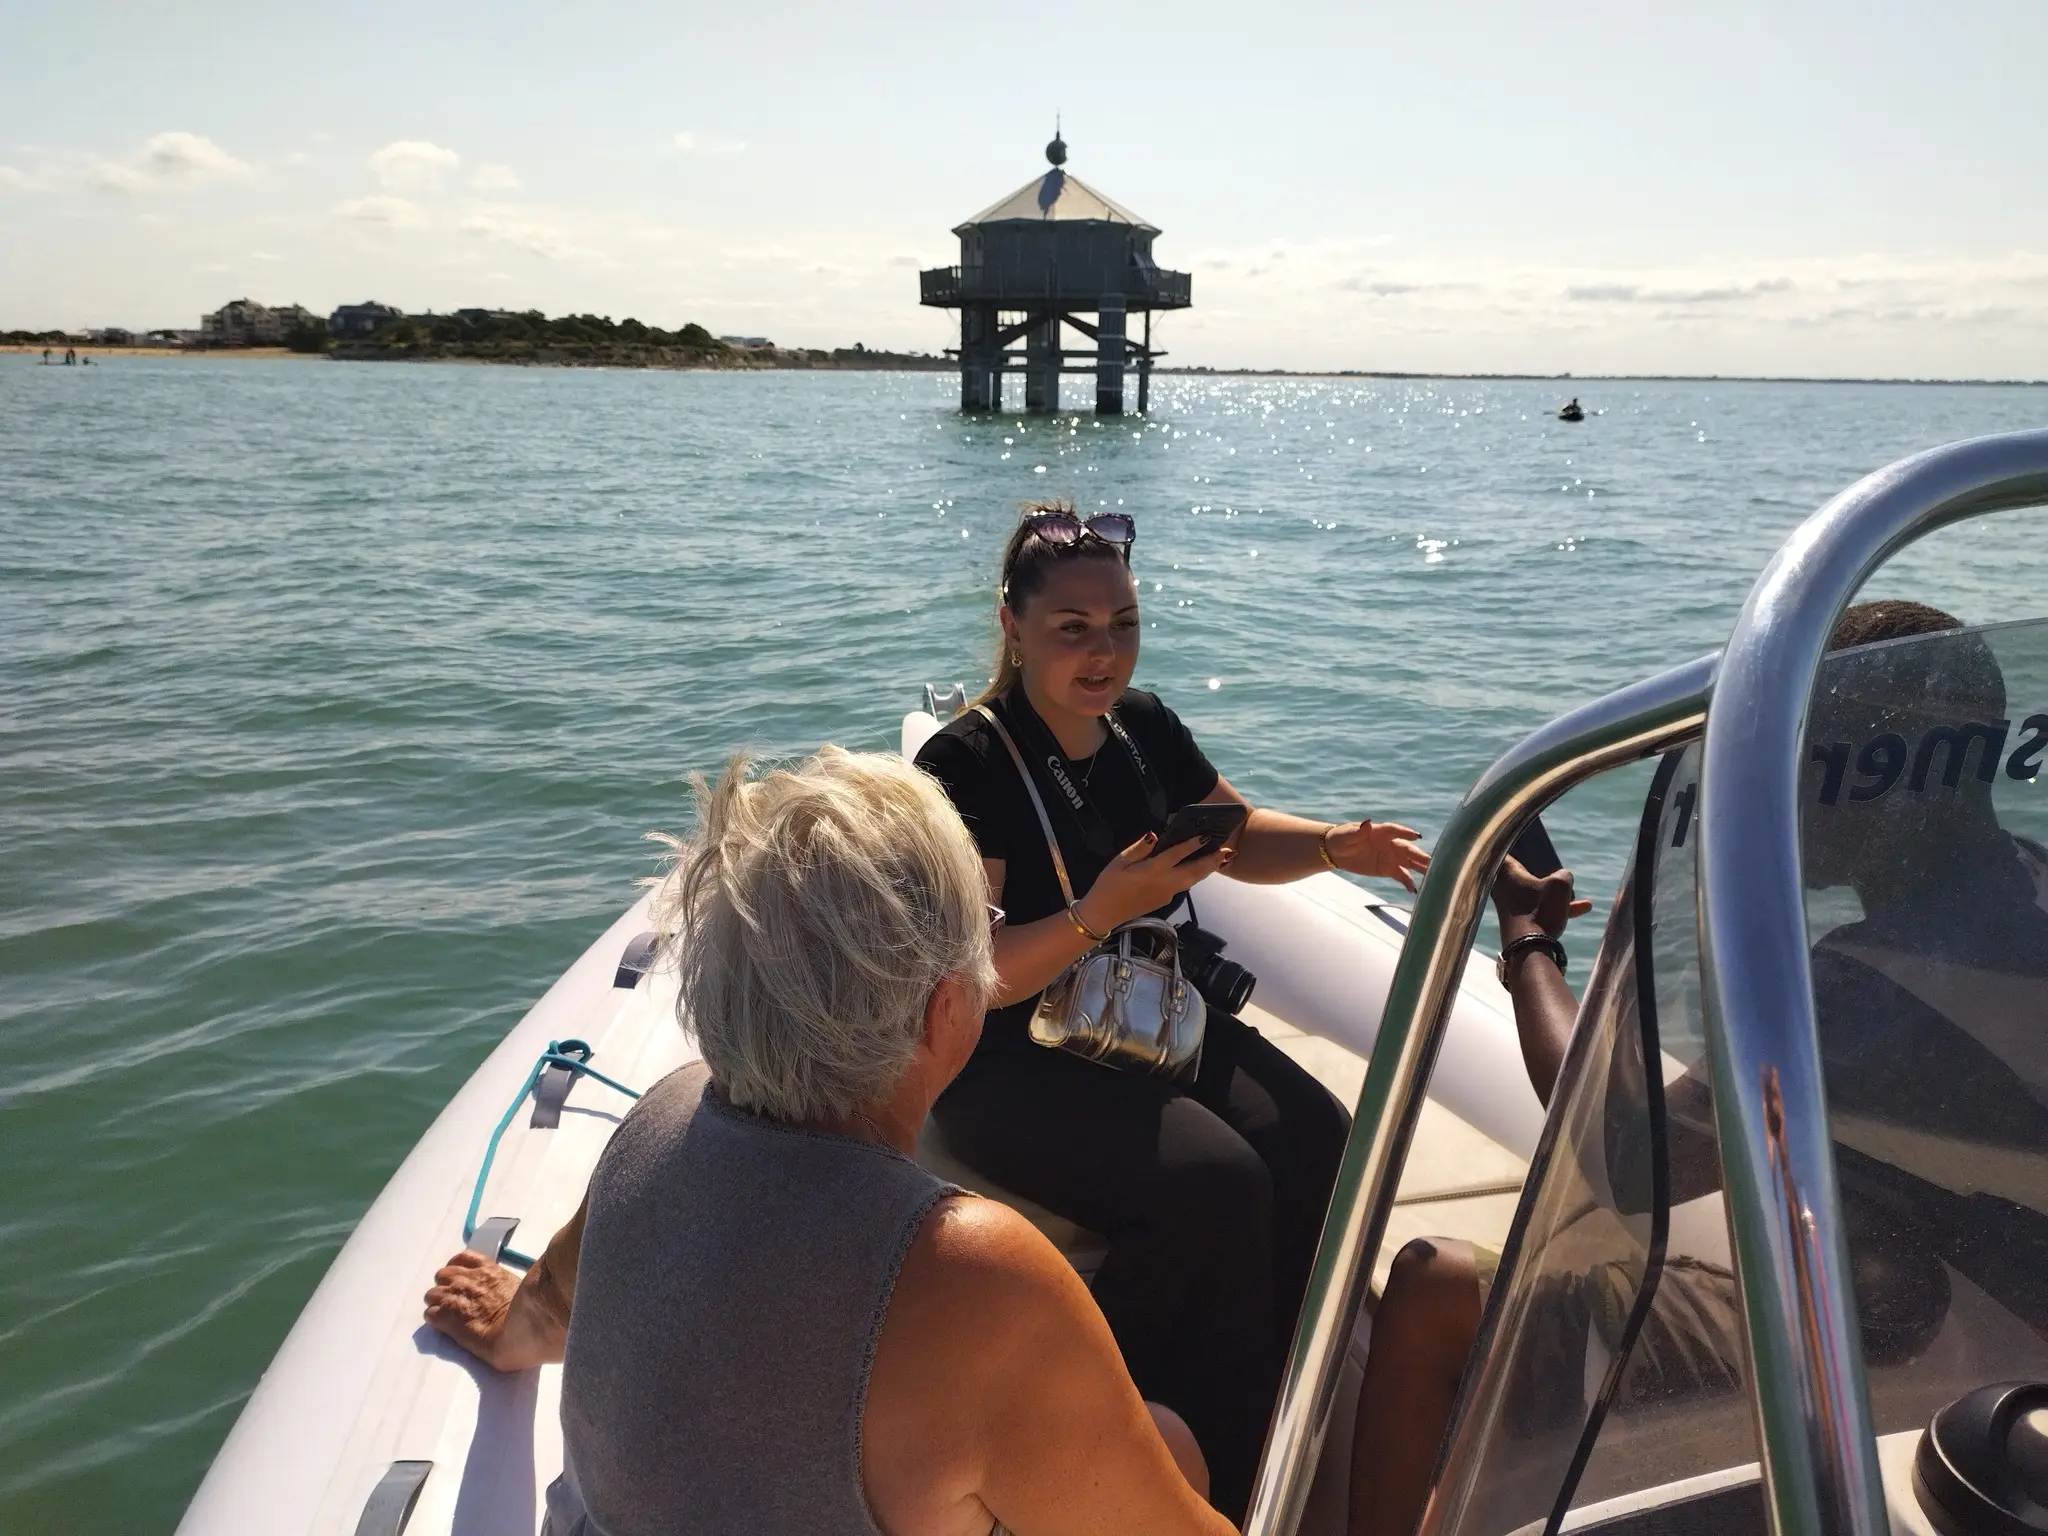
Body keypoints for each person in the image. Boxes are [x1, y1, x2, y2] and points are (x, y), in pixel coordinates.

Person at [1347, 598, 2048, 1536]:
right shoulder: (2028, 905)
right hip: (1993, 1353)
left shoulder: (1861, 992)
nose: (1779, 784)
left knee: (1433, 1290)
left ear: (1884, 775)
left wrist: (1536, 941)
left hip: (1901, 1369)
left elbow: (1618, 1155)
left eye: (1805, 750)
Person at [424, 747, 1236, 1535]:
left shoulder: (657, 1124)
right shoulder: (978, 1277)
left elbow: (548, 1309)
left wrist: (508, 1325)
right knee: (1173, 1447)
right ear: (941, 1008)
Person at [914, 501, 1431, 1518]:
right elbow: (966, 976)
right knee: (1215, 1184)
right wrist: (1095, 911)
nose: (1102, 650)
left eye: (1123, 623)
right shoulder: (965, 764)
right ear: (1013, 626)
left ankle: (1280, 1403)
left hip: (1145, 1015)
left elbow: (1233, 837)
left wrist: (1334, 846)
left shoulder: (1139, 730)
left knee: (1319, 1137)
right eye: (1072, 627)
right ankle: (1104, 1441)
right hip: (1011, 1051)